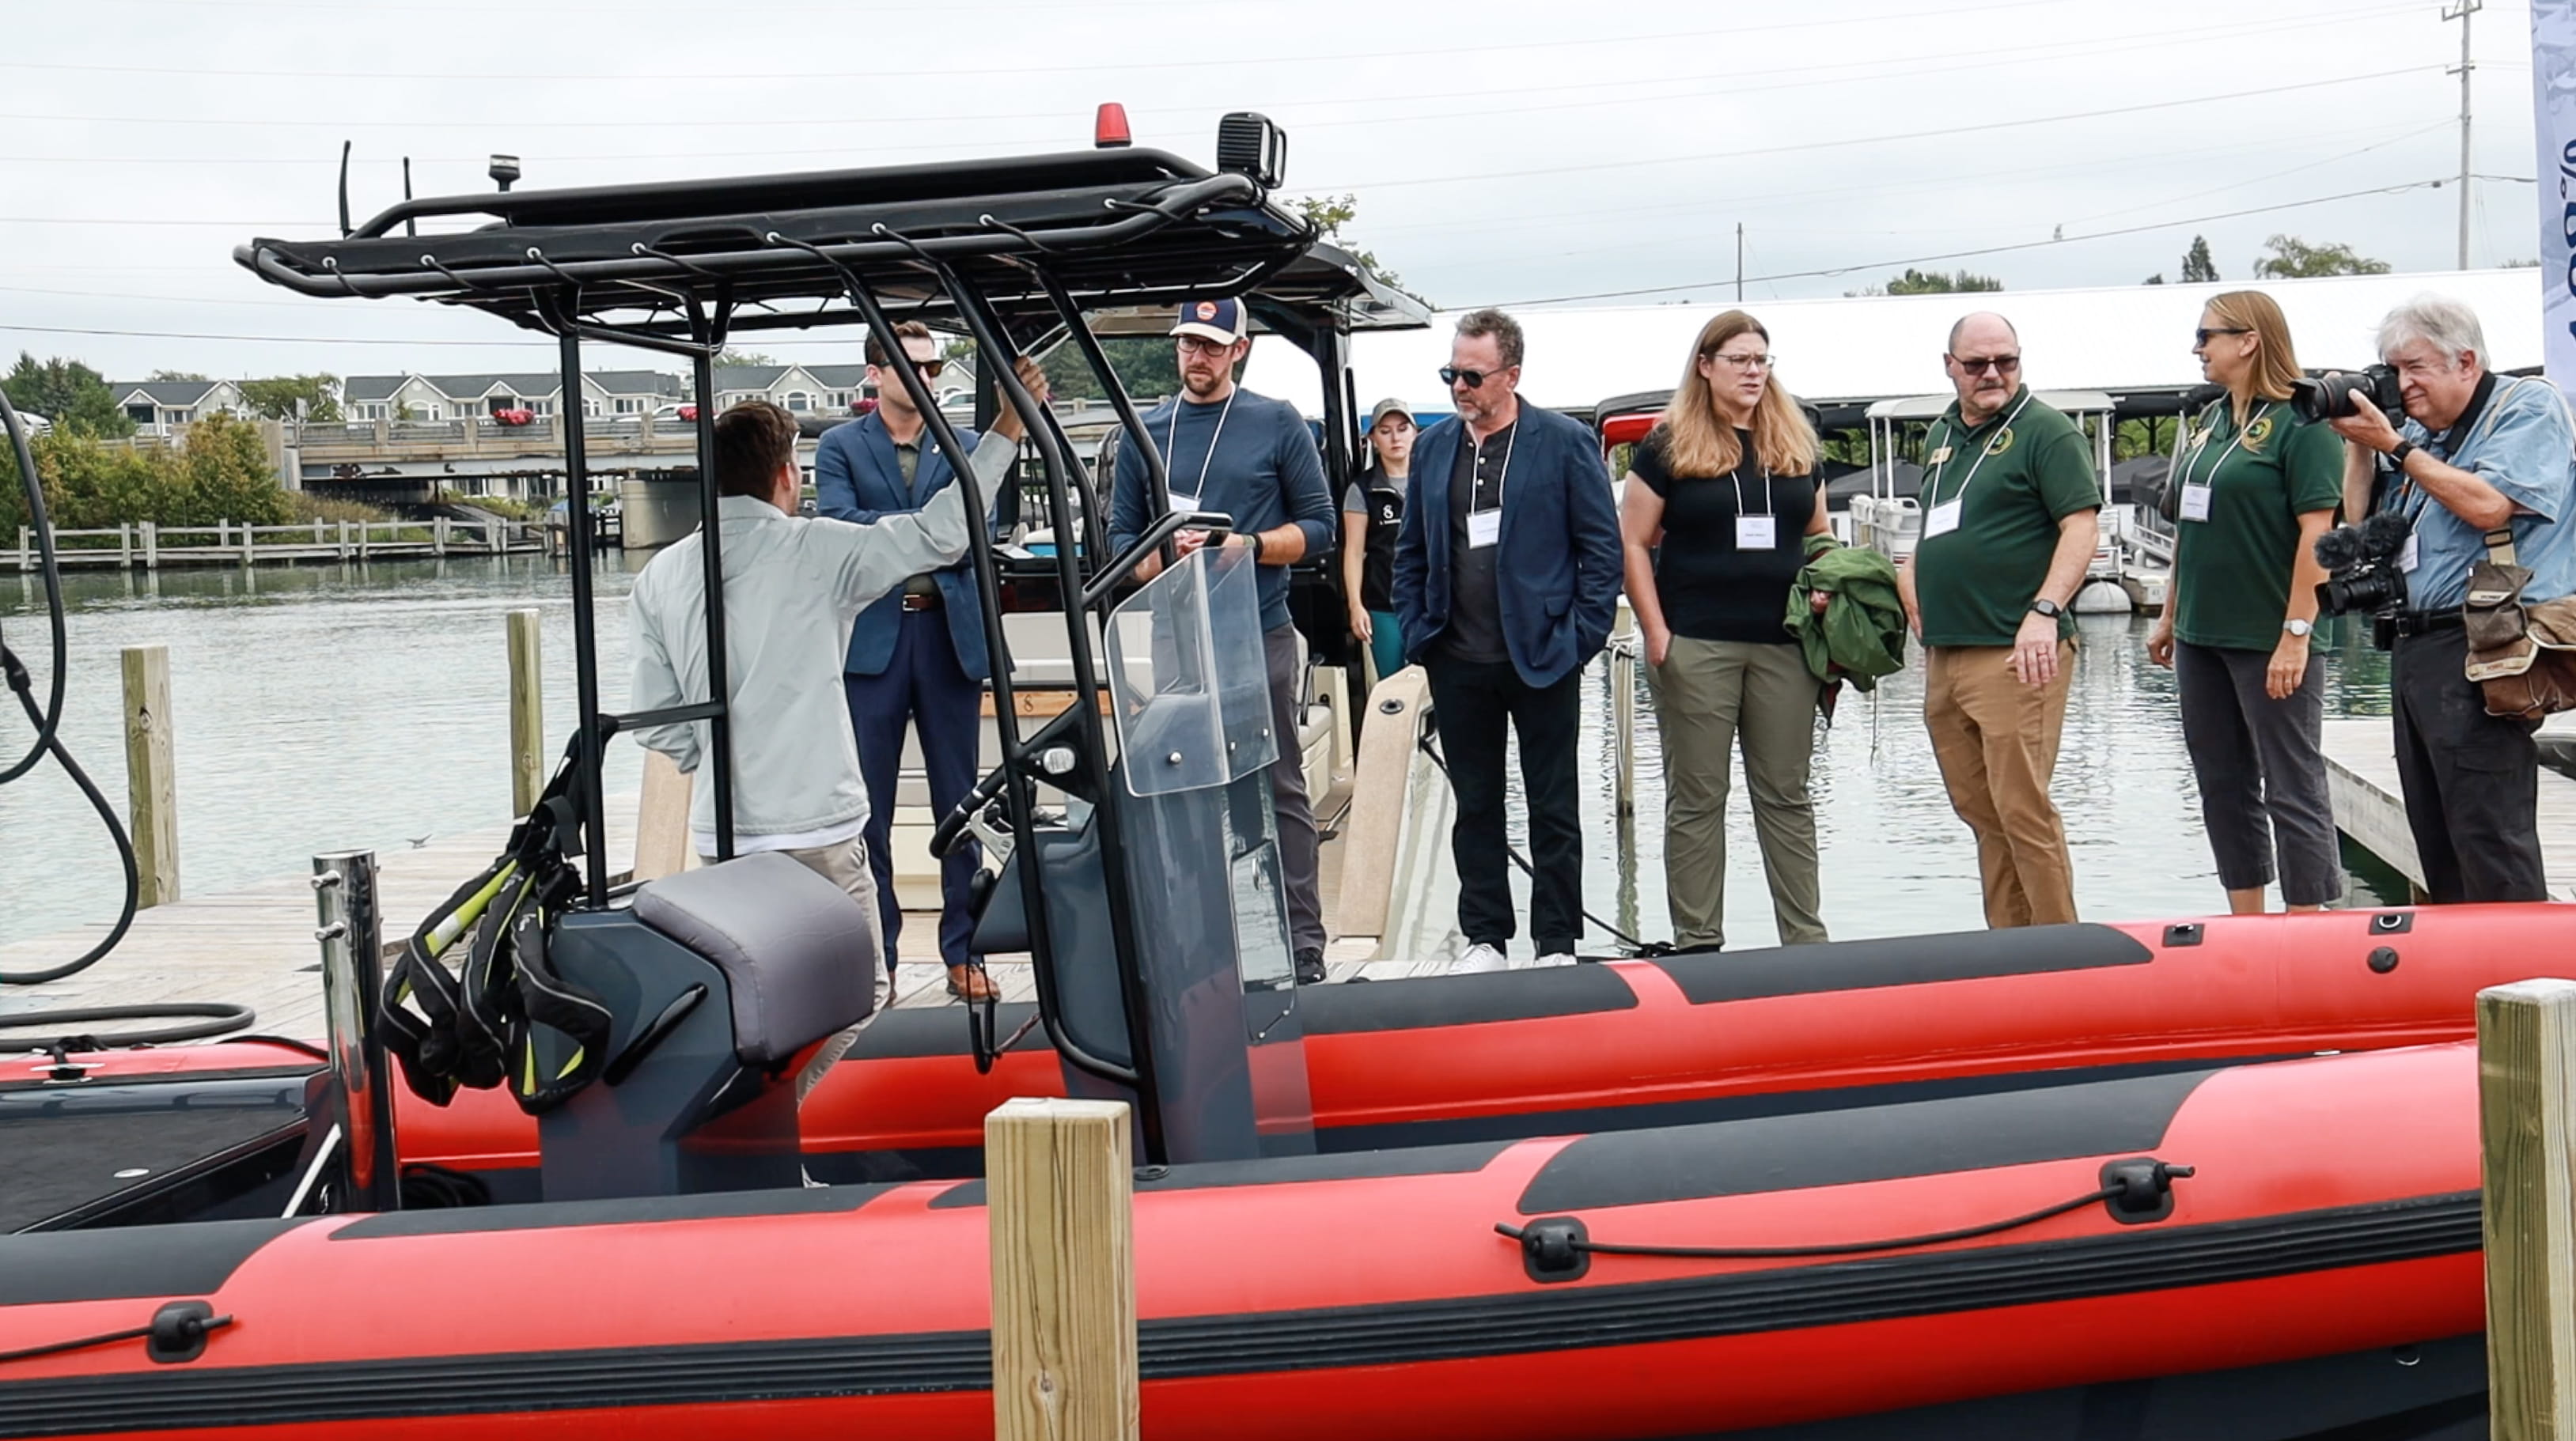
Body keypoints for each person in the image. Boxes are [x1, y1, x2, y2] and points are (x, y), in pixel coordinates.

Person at [627, 381, 1037, 1095]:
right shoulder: (816, 550)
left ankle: (753, 1121)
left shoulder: (661, 575)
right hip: (816, 820)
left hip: (723, 835)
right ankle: (785, 1122)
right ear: (787, 475)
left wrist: (720, 756)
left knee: (750, 989)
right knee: (860, 991)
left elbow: (659, 720)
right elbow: (943, 533)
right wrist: (1006, 427)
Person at [1105, 297, 1337, 984]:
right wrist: (1165, 557)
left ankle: (1301, 943)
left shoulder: (1276, 421)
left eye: (1211, 345)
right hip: (1179, 641)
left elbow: (1319, 526)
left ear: (1239, 350)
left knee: (1277, 786)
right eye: (1186, 344)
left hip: (1257, 630)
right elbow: (1119, 547)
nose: (1196, 357)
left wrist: (1248, 545)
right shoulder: (1144, 433)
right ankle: (1206, 945)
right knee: (1189, 790)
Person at [1392, 308, 1622, 972]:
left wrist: (1582, 637)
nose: (1459, 387)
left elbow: (1600, 552)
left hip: (1545, 653)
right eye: (1450, 373)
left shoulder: (1562, 442)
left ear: (1511, 374)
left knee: (1554, 807)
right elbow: (1411, 553)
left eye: (1471, 374)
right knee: (1475, 806)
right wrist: (1418, 634)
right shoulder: (1434, 447)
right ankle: (1486, 937)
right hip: (1457, 656)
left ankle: (1556, 942)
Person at [2328, 293, 2576, 902]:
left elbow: (2491, 504)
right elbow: (2356, 521)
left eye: (2415, 369)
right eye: (2392, 371)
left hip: (2487, 646)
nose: (2402, 385)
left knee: (2490, 832)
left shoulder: (2527, 407)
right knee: (2436, 836)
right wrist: (2359, 440)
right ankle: (2465, 983)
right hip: (2419, 647)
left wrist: (2396, 447)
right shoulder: (2416, 434)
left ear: (2466, 362)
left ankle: (2527, 979)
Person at [1620, 310, 1832, 952]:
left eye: (1761, 360)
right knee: (1697, 799)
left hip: (1785, 647)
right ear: (1705, 366)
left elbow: (1819, 534)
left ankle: (1806, 943)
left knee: (1787, 797)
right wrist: (1657, 634)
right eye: (1739, 359)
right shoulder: (1667, 444)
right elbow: (1632, 542)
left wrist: (1827, 584)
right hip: (1698, 643)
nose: (1753, 371)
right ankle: (1698, 943)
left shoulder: (1797, 441)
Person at [1895, 312, 2101, 929]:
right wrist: (1911, 575)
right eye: (1977, 363)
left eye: (2005, 361)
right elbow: (1937, 527)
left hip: (2014, 650)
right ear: (1949, 366)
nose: (1992, 374)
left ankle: (2064, 957)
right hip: (1947, 649)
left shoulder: (2047, 432)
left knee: (2022, 808)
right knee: (1979, 811)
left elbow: (2081, 525)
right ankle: (2010, 949)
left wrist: (2045, 610)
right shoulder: (1941, 436)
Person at [816, 320, 1002, 1002]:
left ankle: (964, 951)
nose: (926, 379)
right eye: (911, 367)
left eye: (932, 368)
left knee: (962, 801)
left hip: (949, 638)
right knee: (871, 810)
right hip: (873, 646)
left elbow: (977, 533)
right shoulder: (839, 446)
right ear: (875, 374)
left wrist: (898, 540)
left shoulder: (971, 445)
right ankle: (880, 958)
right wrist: (932, 533)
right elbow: (837, 529)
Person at [2145, 291, 2344, 913]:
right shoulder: (2210, 422)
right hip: (2202, 635)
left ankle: (2308, 922)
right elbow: (2188, 528)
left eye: (2207, 335)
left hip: (2268, 633)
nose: (2198, 348)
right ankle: (2247, 921)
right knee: (2221, 783)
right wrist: (2170, 611)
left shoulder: (2302, 421)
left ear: (2249, 340)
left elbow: (2320, 533)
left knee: (2292, 783)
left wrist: (2296, 631)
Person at [1343, 398, 1414, 688]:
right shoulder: (1362, 490)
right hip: (1385, 605)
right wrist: (1356, 605)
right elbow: (1354, 551)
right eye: (1385, 431)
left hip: (1430, 604)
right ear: (1372, 438)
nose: (1395, 438)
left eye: (1402, 428)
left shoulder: (1432, 481)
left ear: (1415, 432)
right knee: (1394, 688)